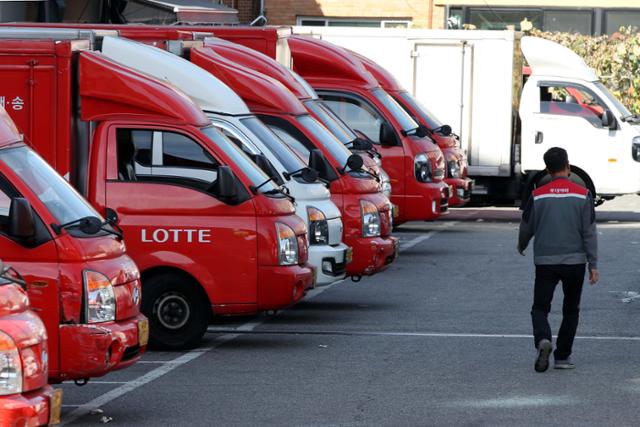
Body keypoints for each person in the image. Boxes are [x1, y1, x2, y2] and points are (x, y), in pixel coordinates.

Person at [518, 147, 599, 373]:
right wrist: (593, 264)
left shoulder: (538, 195)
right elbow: (589, 232)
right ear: (568, 166)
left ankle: (543, 339)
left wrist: (522, 245)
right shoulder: (583, 194)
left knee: (540, 308)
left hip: (545, 261)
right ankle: (562, 357)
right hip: (575, 262)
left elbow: (527, 226)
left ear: (547, 169)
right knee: (571, 309)